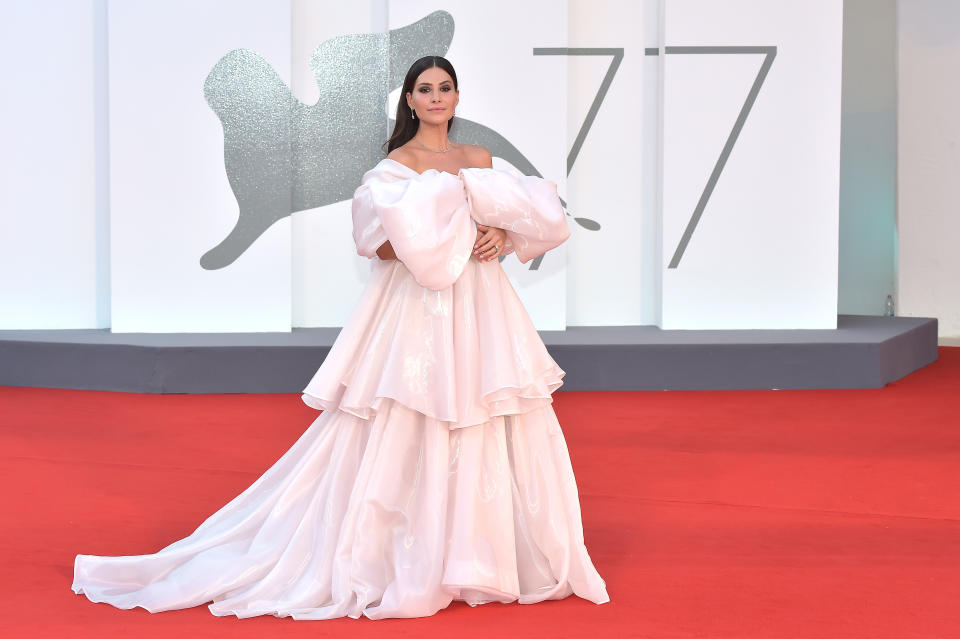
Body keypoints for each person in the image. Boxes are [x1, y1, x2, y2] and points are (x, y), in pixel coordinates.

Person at [72, 55, 609, 620]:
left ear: (457, 96)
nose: (434, 98)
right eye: (424, 89)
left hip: (480, 304)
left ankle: (476, 554)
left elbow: (524, 217)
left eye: (444, 88)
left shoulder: (479, 159)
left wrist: (498, 231)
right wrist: (429, 236)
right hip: (416, 311)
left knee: (481, 411)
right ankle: (407, 550)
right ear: (409, 100)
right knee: (412, 414)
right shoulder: (394, 167)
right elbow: (373, 245)